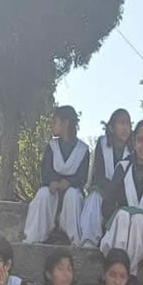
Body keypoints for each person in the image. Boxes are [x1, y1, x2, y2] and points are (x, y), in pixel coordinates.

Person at [99, 121, 143, 275]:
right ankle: (115, 270)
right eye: (140, 140)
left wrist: (137, 217)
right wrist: (122, 213)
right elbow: (107, 204)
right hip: (120, 227)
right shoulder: (122, 168)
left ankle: (130, 274)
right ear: (133, 142)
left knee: (138, 219)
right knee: (124, 216)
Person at [24, 105, 90, 245]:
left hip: (72, 191)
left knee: (73, 195)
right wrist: (52, 181)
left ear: (65, 123)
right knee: (43, 194)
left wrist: (69, 183)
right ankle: (34, 237)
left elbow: (82, 177)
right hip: (53, 190)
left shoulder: (82, 149)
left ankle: (74, 240)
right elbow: (46, 169)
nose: (52, 125)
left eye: (55, 122)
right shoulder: (52, 146)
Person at [83, 108, 132, 247]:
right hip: (103, 189)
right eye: (121, 123)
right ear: (111, 127)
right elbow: (98, 174)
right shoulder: (103, 143)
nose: (125, 128)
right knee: (94, 197)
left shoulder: (133, 148)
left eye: (128, 124)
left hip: (124, 195)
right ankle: (89, 241)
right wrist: (110, 189)